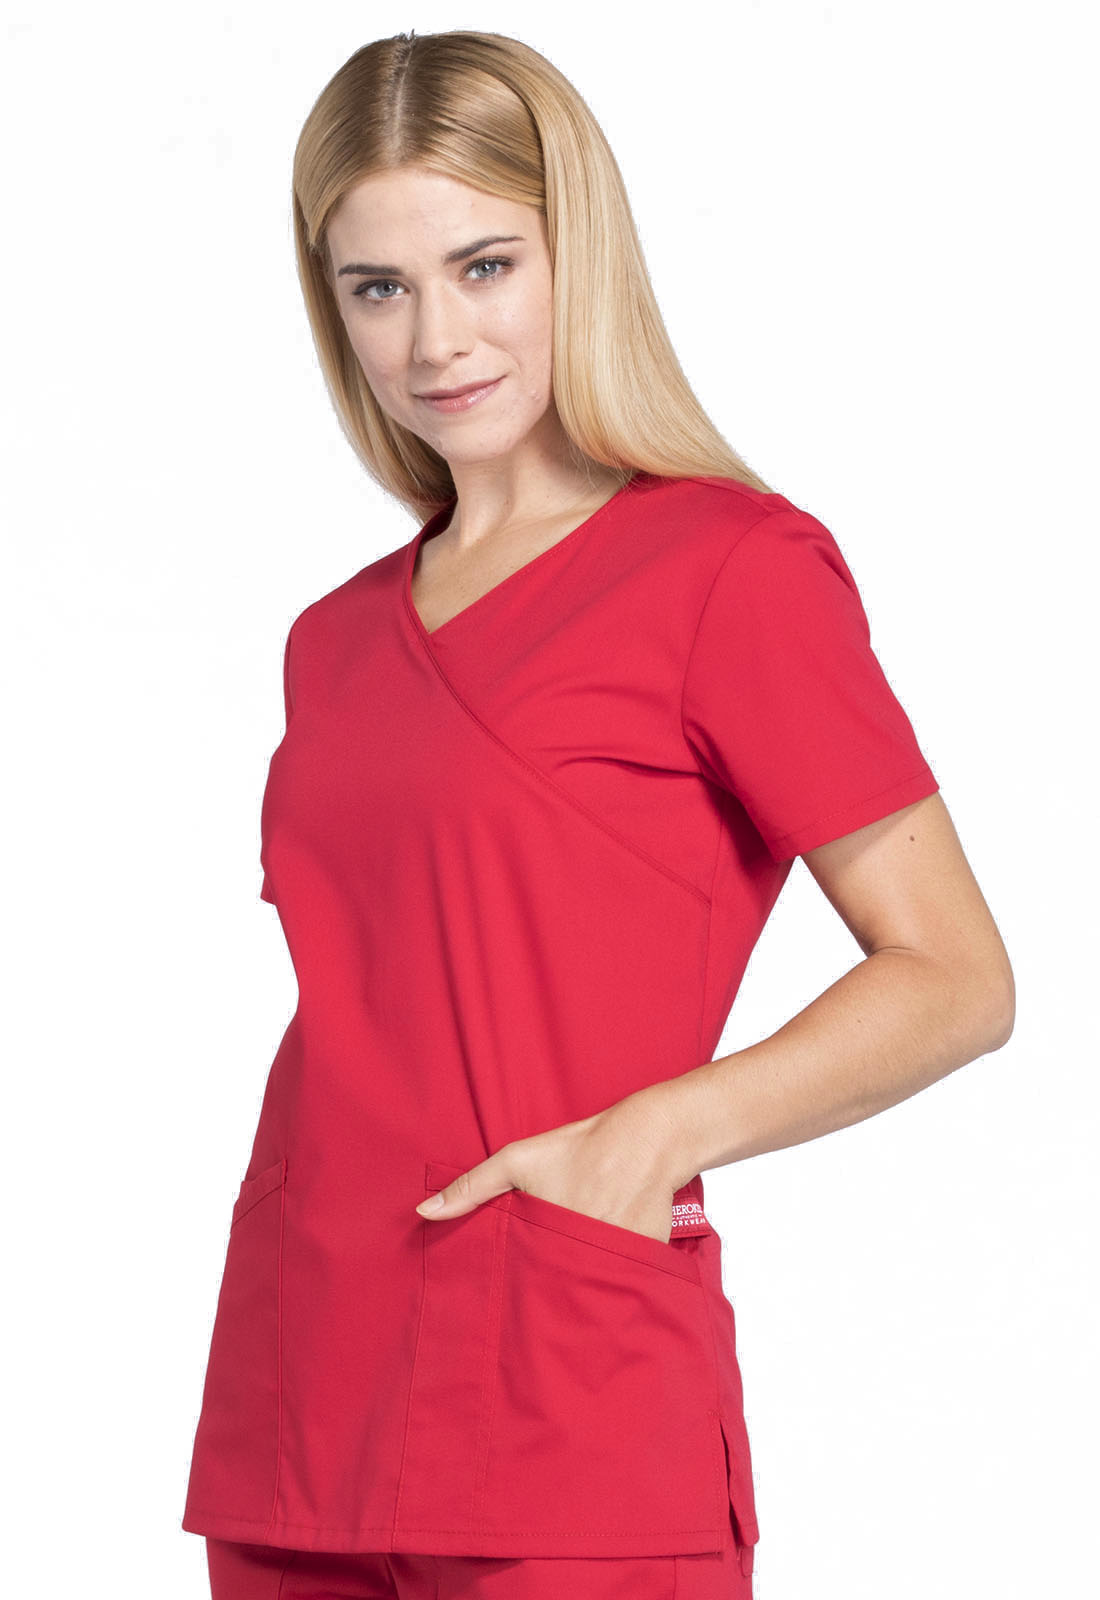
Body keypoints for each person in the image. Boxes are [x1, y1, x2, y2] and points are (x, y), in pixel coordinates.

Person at [181, 27, 1014, 1600]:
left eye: (485, 266)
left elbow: (957, 976)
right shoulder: (331, 641)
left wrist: (658, 1135)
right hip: (302, 1388)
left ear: (582, 251)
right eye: (379, 287)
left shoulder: (728, 571)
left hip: (564, 1377)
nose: (437, 338)